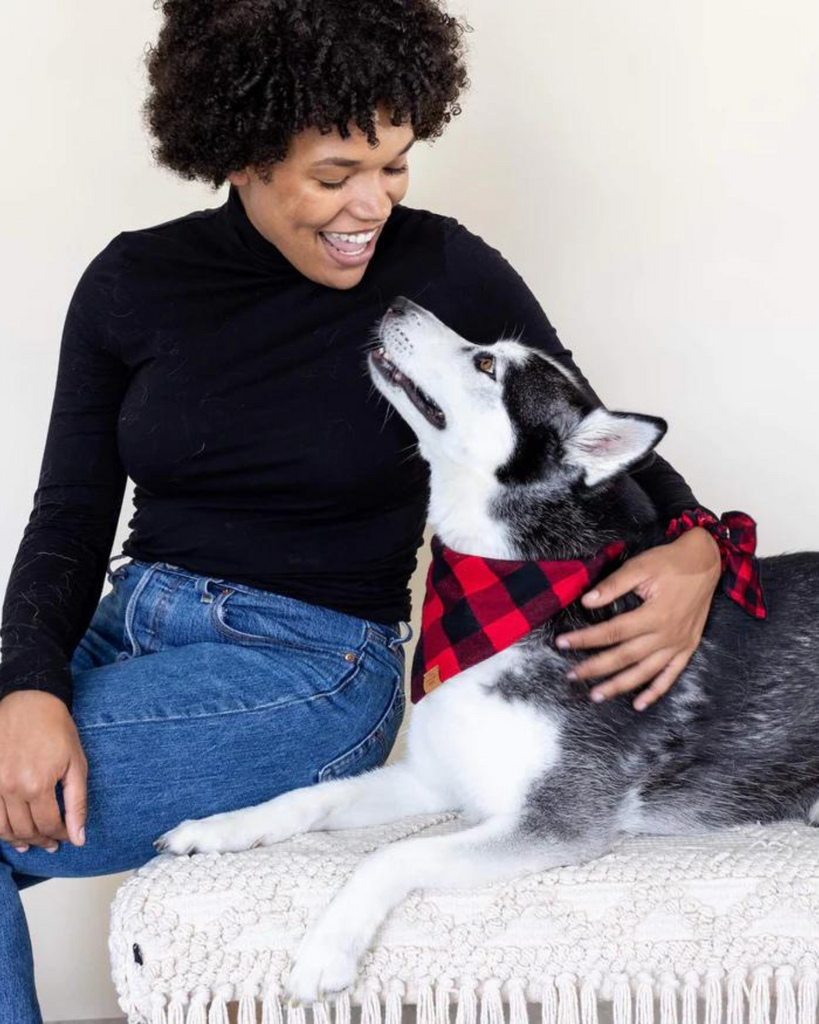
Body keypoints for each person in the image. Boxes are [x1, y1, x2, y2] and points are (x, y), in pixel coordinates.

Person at [0, 1, 722, 1018]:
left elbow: (585, 445)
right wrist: (26, 684)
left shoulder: (441, 271)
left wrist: (697, 551)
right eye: (335, 175)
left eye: (396, 164)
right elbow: (69, 514)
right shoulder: (132, 281)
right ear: (242, 153)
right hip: (128, 629)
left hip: (308, 666)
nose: (372, 205)